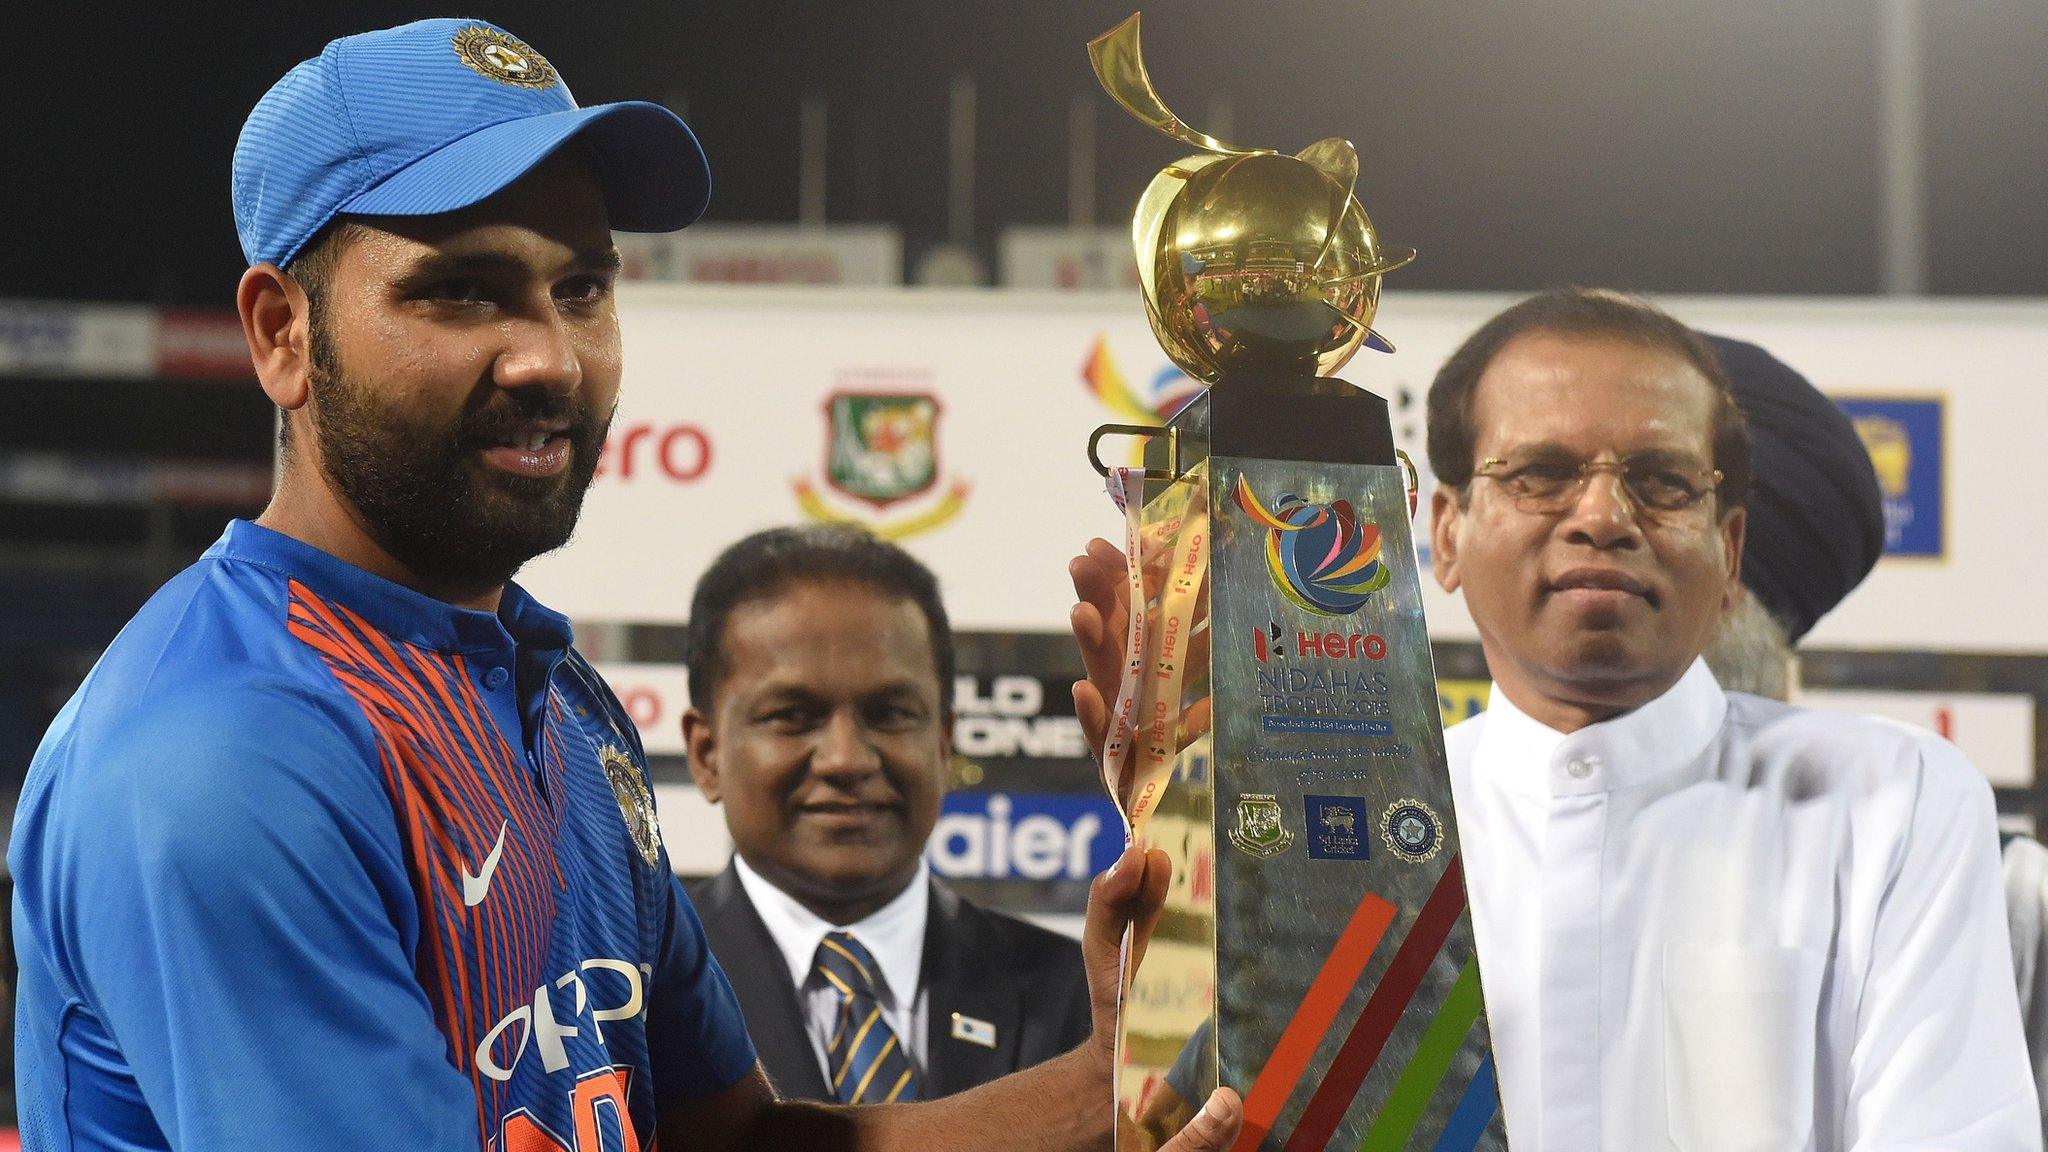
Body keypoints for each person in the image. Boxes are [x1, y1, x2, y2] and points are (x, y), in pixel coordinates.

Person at [8, 19, 1240, 1152]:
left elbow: (732, 1143)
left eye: (581, 287)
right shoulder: (224, 755)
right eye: (461, 289)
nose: (550, 357)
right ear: (281, 333)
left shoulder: (558, 700)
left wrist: (1113, 1078)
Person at [1069, 288, 2039, 1150]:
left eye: (1660, 482)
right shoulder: (1356, 836)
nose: (1601, 515)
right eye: (1539, 474)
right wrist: (1188, 826)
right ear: (1442, 535)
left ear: (1728, 547)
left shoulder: (1888, 802)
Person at [1699, 332, 2048, 1143]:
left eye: (1663, 492)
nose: (1595, 528)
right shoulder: (1441, 833)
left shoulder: (1999, 890)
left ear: (1734, 571)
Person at [679, 525, 1091, 1102]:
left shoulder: (1082, 1006)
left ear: (944, 743)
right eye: (792, 716)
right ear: (706, 754)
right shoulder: (629, 1002)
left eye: (891, 713)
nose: (846, 759)